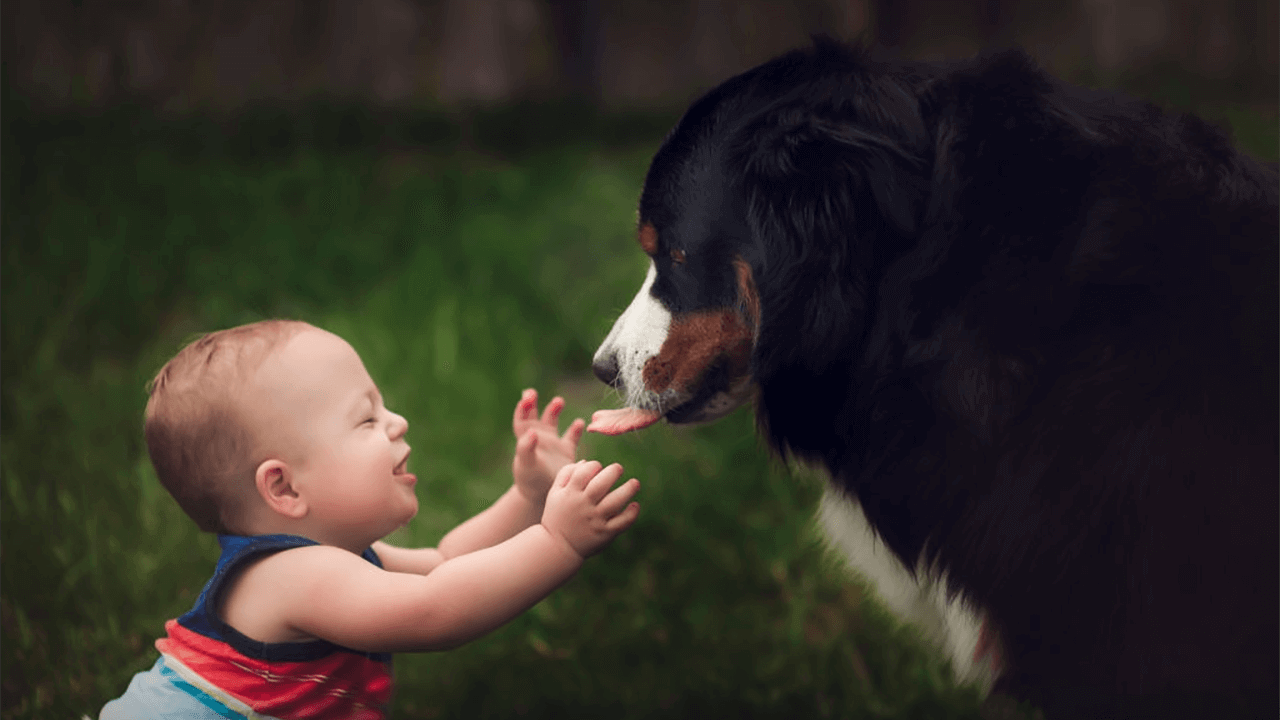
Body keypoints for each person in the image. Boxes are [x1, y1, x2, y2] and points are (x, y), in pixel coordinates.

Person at [100, 319, 641, 719]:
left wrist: (527, 497)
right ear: (284, 487)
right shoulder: (289, 577)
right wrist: (557, 543)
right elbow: (437, 610)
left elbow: (445, 563)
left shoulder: (330, 563)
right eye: (366, 419)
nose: (398, 422)